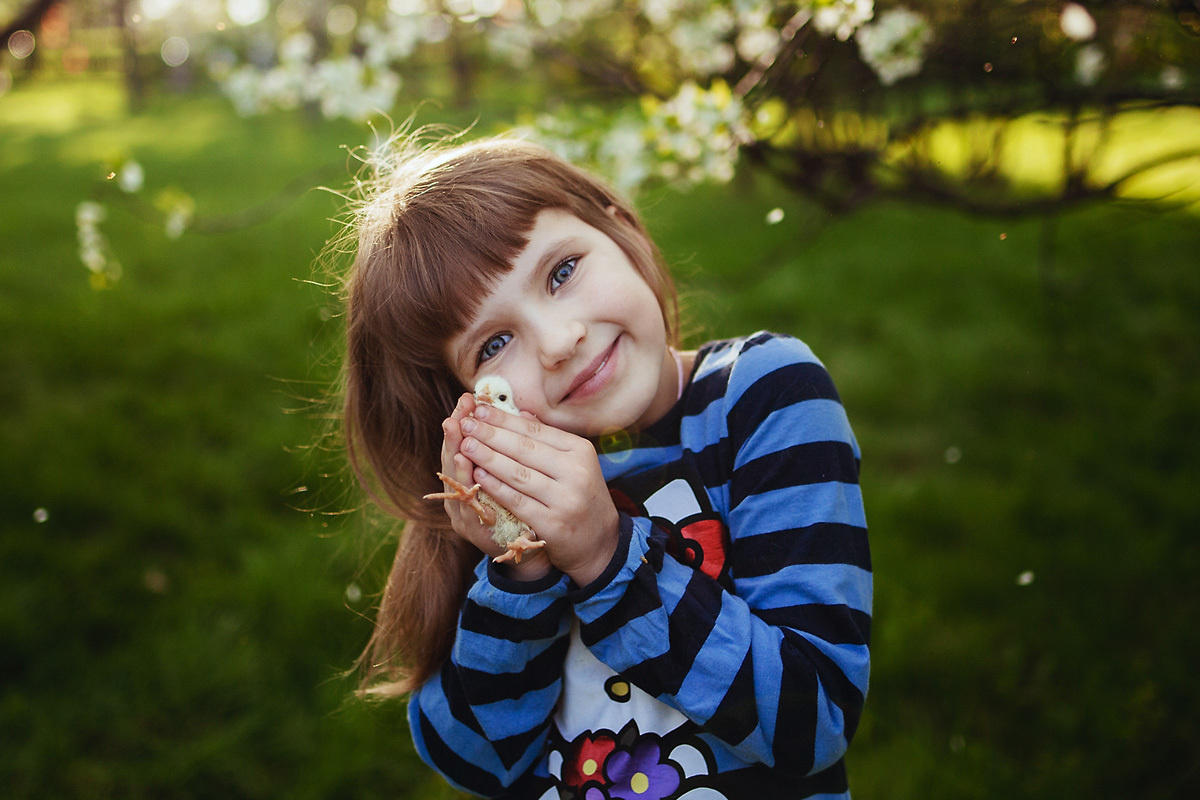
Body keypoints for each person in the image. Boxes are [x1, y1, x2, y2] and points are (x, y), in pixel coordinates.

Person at [337, 133, 871, 800]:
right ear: (465, 406)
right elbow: (478, 763)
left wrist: (607, 557)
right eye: (496, 344)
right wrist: (519, 574)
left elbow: (810, 721)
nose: (560, 342)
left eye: (562, 272)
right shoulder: (500, 512)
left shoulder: (762, 397)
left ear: (622, 231)